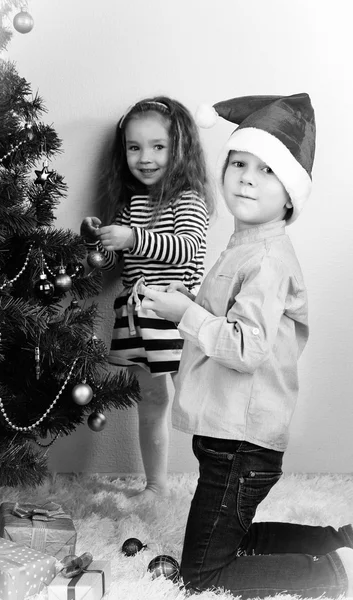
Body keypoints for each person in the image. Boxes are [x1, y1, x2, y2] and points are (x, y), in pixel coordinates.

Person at [140, 93, 353, 597]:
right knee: (236, 536)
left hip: (242, 443)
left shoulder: (269, 259)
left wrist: (184, 314)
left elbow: (245, 348)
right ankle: (335, 542)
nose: (247, 177)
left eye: (267, 170)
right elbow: (230, 316)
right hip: (229, 436)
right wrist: (188, 300)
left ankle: (330, 575)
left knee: (203, 575)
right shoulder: (246, 245)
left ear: (290, 196)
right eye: (238, 162)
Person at [81, 96, 213, 503]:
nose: (146, 157)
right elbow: (123, 259)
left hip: (174, 315)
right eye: (134, 147)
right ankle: (155, 485)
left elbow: (186, 248)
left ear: (179, 150)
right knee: (152, 400)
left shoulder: (188, 200)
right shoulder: (133, 203)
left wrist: (133, 236)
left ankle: (214, 484)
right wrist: (100, 236)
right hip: (138, 316)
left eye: (158, 146)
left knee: (196, 403)